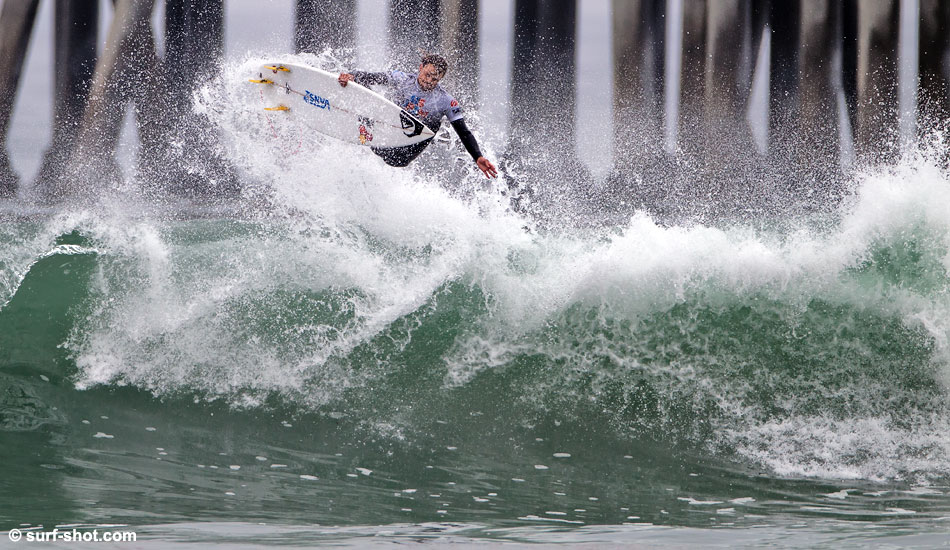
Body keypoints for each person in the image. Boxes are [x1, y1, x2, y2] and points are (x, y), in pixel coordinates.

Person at [338, 54, 498, 179]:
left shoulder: (445, 101)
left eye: (434, 79)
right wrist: (351, 76)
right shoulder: (401, 79)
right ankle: (365, 126)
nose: (429, 81)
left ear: (440, 78)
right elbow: (369, 76)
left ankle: (368, 129)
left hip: (405, 151)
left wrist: (478, 156)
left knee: (434, 124)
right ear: (420, 68)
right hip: (386, 134)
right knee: (362, 85)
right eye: (427, 74)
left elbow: (464, 132)